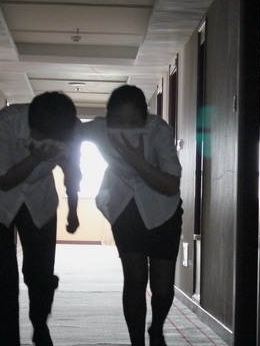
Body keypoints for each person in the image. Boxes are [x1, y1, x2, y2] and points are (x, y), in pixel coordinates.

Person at [0, 91, 81, 346]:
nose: (54, 142)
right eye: (45, 137)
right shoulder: (5, 123)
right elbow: (4, 181)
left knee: (41, 273)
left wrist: (73, 209)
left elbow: (71, 169)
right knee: (3, 277)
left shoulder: (72, 129)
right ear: (33, 127)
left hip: (39, 199)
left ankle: (40, 324)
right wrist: (36, 157)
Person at [83, 85, 183, 346]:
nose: (125, 128)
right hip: (124, 207)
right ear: (108, 118)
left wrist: (139, 162)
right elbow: (64, 130)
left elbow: (171, 184)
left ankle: (156, 328)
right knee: (135, 279)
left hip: (163, 209)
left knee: (162, 289)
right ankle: (136, 342)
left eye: (133, 122)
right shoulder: (99, 129)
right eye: (118, 121)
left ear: (145, 119)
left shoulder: (158, 131)